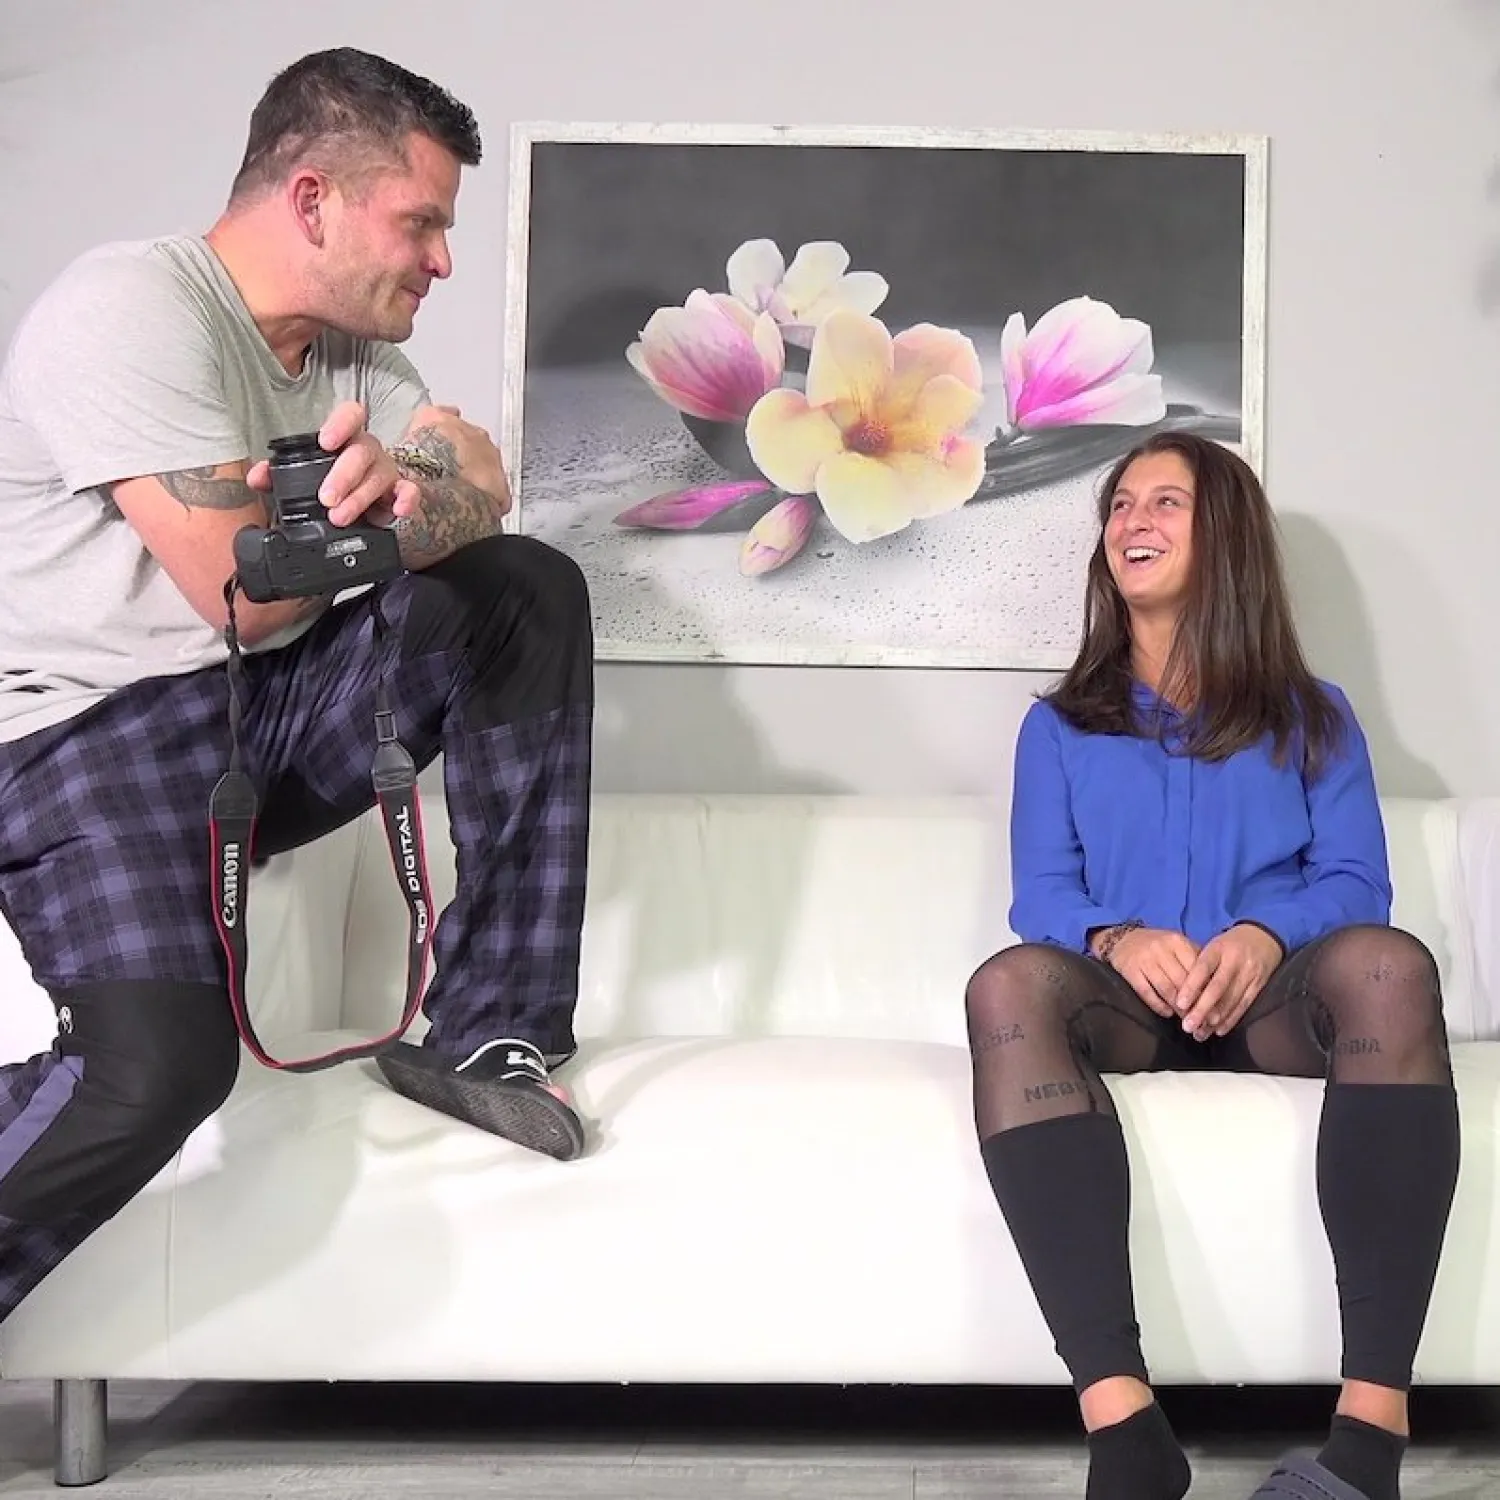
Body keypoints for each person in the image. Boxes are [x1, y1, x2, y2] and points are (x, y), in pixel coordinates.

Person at [0, 48, 596, 1329]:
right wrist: (408, 503)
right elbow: (247, 587)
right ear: (314, 199)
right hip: (85, 736)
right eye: (421, 222)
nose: (442, 260)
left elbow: (480, 487)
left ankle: (490, 1024)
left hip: (262, 714)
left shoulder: (358, 355)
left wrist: (415, 489)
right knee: (156, 1075)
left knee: (522, 591)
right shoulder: (127, 307)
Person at [965, 433, 1460, 1500]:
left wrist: (1265, 934)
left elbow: (1357, 882)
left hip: (1274, 1004)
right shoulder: (1058, 728)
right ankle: (1126, 1436)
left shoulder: (1313, 714)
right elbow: (1042, 896)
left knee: (1390, 968)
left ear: (1224, 535)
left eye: (1164, 503)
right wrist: (1117, 939)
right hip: (1129, 1009)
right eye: (1119, 505)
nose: (1130, 522)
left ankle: (1369, 1443)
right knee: (1007, 982)